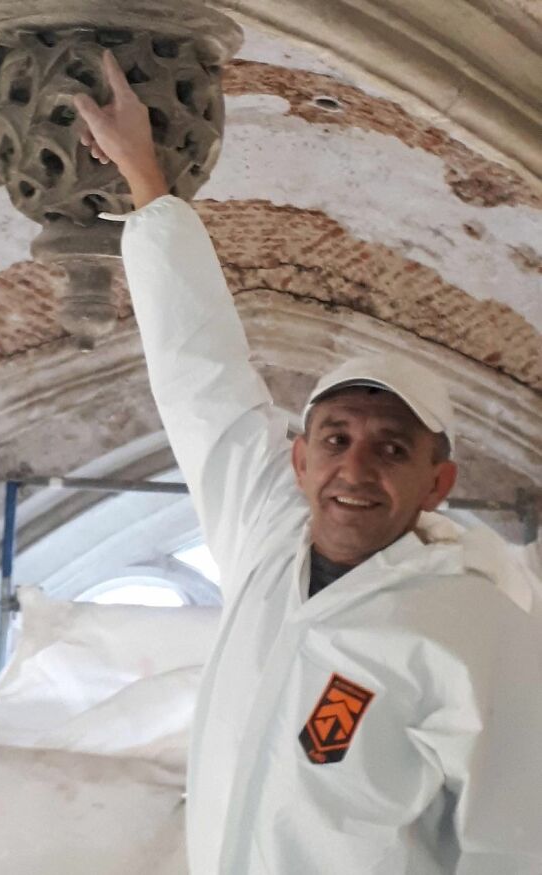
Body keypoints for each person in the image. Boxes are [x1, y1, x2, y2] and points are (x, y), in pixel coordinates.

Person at [74, 52, 542, 875]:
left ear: (439, 482)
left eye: (393, 447)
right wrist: (148, 183)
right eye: (336, 438)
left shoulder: (478, 631)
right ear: (299, 457)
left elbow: (512, 843)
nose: (356, 468)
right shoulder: (265, 535)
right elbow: (200, 373)